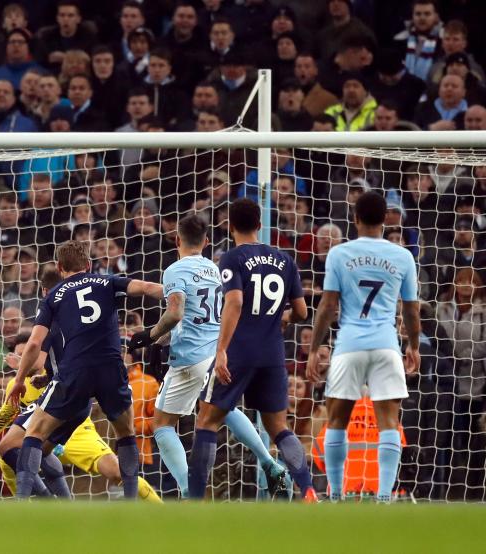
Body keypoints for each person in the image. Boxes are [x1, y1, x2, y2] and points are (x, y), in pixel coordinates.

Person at [0, 270, 162, 502]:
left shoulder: (52, 318)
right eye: (18, 354)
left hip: (69, 404)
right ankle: (56, 504)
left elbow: (40, 358)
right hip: (65, 397)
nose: (21, 357)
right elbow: (9, 409)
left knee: (112, 470)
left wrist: (25, 369)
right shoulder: (69, 322)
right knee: (11, 448)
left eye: (24, 354)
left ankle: (157, 507)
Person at [128, 214, 288, 498]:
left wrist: (150, 336)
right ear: (206, 241)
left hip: (190, 358)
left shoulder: (176, 270)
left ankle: (189, 489)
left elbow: (176, 313)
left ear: (177, 240)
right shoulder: (218, 269)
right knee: (225, 411)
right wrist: (160, 341)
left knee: (163, 425)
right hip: (219, 354)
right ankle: (269, 462)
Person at [6, 240, 165, 499]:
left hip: (75, 372)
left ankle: (22, 502)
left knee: (34, 434)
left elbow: (34, 342)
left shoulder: (54, 295)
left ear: (60, 267)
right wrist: (176, 293)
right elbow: (146, 288)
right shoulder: (108, 282)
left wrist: (20, 378)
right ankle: (131, 499)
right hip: (111, 369)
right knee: (126, 432)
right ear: (89, 265)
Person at [185, 198, 315, 501]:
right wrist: (284, 318)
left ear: (230, 226)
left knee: (207, 421)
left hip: (239, 351)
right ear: (259, 224)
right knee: (279, 428)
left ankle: (192, 501)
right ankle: (308, 488)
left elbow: (235, 302)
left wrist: (221, 350)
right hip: (272, 354)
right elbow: (302, 311)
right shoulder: (285, 260)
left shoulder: (232, 258)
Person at [306, 191, 421, 503]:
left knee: (337, 420)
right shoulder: (403, 256)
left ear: (355, 219)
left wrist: (315, 348)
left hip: (349, 345)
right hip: (386, 346)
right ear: (385, 220)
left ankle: (336, 494)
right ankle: (384, 497)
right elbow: (411, 309)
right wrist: (412, 345)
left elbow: (328, 305)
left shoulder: (339, 255)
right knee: (389, 423)